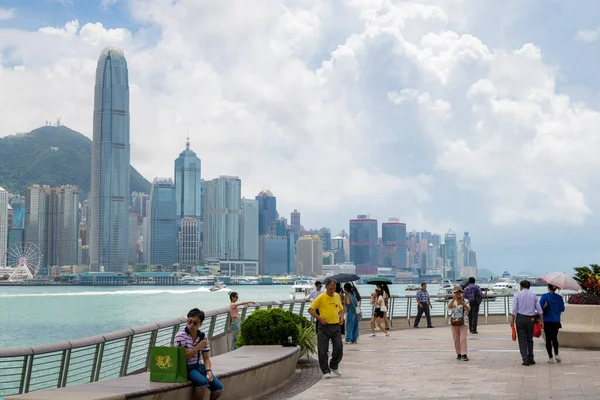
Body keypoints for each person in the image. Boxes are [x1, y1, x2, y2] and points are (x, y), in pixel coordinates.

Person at [174, 308, 223, 400]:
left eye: (195, 323)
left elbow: (206, 358)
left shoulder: (202, 337)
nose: (191, 325)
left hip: (199, 366)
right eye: (189, 322)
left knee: (218, 388)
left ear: (200, 324)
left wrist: (208, 370)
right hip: (186, 368)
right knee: (203, 382)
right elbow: (184, 357)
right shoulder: (180, 335)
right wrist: (198, 346)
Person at [308, 278, 344, 378]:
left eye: (334, 289)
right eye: (330, 289)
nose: (332, 291)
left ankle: (333, 365)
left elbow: (341, 308)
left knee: (339, 347)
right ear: (326, 287)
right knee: (323, 350)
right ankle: (325, 371)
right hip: (324, 327)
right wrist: (319, 318)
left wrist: (342, 317)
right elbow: (310, 310)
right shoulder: (321, 297)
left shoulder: (337, 296)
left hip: (336, 326)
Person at [510, 280, 544, 366]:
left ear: (521, 286)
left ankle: (525, 359)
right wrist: (541, 321)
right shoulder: (533, 295)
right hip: (531, 320)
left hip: (520, 319)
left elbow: (514, 309)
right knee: (529, 339)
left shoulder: (517, 295)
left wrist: (512, 321)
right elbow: (539, 309)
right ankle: (531, 358)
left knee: (522, 340)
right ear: (529, 287)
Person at [539, 284, 565, 363]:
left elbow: (539, 307)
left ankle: (550, 357)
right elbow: (562, 309)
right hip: (556, 321)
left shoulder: (544, 296)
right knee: (554, 338)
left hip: (547, 321)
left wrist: (540, 320)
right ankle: (556, 354)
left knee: (548, 339)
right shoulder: (559, 298)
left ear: (548, 288)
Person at [448, 285, 470, 361]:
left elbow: (469, 309)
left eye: (459, 292)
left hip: (464, 321)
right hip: (454, 321)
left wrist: (463, 304)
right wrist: (453, 300)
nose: (458, 293)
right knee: (456, 339)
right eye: (456, 292)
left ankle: (464, 353)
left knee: (463, 338)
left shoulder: (465, 300)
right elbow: (449, 307)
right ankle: (458, 353)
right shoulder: (452, 301)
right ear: (454, 293)